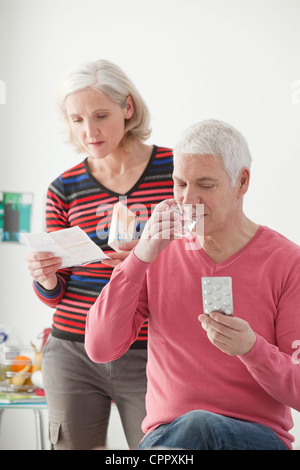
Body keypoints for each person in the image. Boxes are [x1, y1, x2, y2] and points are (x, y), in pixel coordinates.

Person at [85, 119, 300, 450]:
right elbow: (100, 348)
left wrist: (252, 349)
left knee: (202, 424)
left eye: (206, 184)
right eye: (180, 183)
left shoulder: (287, 261)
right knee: (192, 428)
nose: (188, 199)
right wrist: (140, 256)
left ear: (242, 181)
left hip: (255, 437)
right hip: (170, 437)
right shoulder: (157, 254)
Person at [26, 59, 174, 450]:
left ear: (128, 108)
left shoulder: (176, 171)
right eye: (77, 120)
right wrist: (45, 278)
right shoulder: (64, 188)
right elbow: (56, 295)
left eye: (101, 115)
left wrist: (145, 261)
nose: (89, 131)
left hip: (150, 350)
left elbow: (203, 258)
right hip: (71, 349)